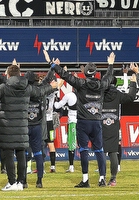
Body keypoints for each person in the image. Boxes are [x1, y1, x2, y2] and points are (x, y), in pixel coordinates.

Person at [0, 61, 57, 191]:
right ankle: (20, 183)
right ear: (20, 74)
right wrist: (52, 86)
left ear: (8, 75)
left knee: (9, 154)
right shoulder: (26, 87)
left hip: (7, 126)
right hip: (22, 126)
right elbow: (40, 91)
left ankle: (12, 182)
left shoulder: (4, 87)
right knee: (21, 154)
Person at [47, 50, 116, 188]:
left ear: (85, 72)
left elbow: (66, 76)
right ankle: (102, 179)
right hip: (96, 121)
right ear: (95, 72)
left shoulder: (80, 83)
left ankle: (85, 180)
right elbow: (109, 77)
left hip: (83, 122)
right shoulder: (101, 84)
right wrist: (110, 64)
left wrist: (52, 65)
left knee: (84, 149)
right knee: (99, 150)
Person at [102, 68, 138, 186]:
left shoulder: (100, 93)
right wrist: (133, 83)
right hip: (114, 124)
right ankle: (113, 179)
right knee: (113, 152)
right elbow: (131, 97)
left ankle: (101, 177)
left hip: (100, 124)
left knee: (100, 151)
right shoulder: (117, 94)